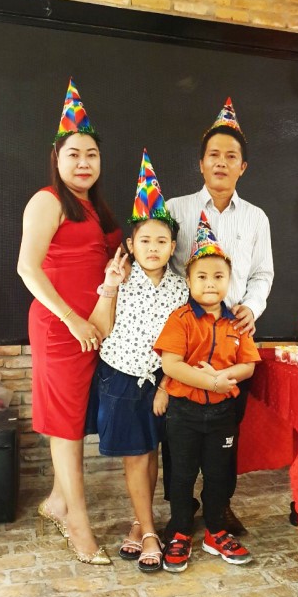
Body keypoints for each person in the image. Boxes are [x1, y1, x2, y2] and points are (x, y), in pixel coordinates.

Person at [17, 78, 121, 566]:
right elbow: (27, 268)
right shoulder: (48, 200)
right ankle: (78, 524)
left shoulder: (95, 208)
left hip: (93, 327)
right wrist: (72, 320)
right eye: (74, 154)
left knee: (77, 418)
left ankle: (58, 501)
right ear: (57, 159)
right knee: (66, 426)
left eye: (92, 155)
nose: (84, 162)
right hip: (61, 329)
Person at [165, 98, 274, 534]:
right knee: (178, 433)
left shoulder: (256, 218)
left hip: (234, 340)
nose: (221, 163)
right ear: (201, 163)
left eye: (231, 156)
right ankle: (180, 508)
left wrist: (253, 307)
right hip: (185, 339)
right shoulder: (176, 210)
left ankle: (219, 505)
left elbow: (263, 273)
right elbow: (160, 267)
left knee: (226, 432)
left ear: (242, 167)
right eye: (214, 155)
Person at [87, 150, 188, 572]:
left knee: (152, 451)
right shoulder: (119, 279)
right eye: (144, 240)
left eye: (161, 241)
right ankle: (149, 532)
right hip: (121, 378)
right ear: (131, 245)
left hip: (161, 381)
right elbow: (99, 328)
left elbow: (184, 345)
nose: (152, 247)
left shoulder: (182, 289)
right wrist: (110, 286)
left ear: (172, 247)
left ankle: (138, 523)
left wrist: (166, 385)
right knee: (135, 455)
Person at [154, 213, 261, 573]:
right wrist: (211, 382)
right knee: (181, 474)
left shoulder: (237, 323)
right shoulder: (180, 319)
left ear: (229, 281)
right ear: (189, 280)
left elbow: (248, 366)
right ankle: (180, 530)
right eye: (201, 276)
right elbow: (171, 365)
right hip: (183, 413)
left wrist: (223, 377)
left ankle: (216, 530)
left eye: (218, 276)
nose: (210, 283)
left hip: (222, 416)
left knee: (219, 475)